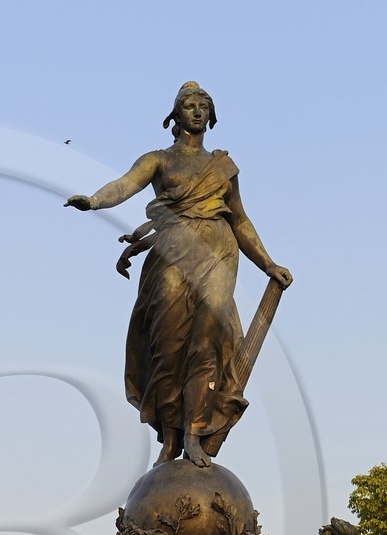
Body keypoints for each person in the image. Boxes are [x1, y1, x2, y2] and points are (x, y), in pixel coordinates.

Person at [66, 82, 292, 466]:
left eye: (204, 106)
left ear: (212, 116)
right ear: (175, 115)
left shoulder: (222, 167)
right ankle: (169, 435)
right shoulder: (159, 160)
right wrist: (94, 201)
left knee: (206, 344)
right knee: (167, 345)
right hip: (172, 252)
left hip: (219, 250)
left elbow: (240, 219)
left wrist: (268, 263)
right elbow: (125, 184)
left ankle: (194, 432)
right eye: (189, 105)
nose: (197, 111)